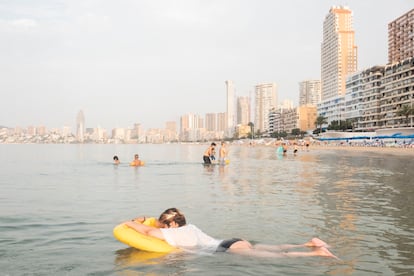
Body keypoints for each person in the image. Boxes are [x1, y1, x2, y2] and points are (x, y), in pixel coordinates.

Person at [123, 208, 337, 258]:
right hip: (232, 241)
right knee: (275, 248)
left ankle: (315, 253)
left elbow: (145, 231)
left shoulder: (173, 234)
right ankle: (309, 243)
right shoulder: (190, 227)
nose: (159, 227)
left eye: (162, 224)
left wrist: (133, 221)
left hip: (224, 249)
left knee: (277, 257)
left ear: (170, 226)